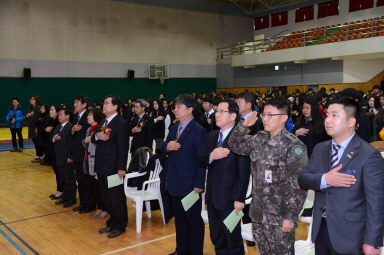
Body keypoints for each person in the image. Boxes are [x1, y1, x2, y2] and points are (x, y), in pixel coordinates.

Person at [298, 97, 384, 255]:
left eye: (334, 115)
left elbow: (376, 203)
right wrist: (325, 179)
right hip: (321, 230)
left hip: (352, 235)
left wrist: (373, 241)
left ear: (351, 122)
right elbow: (303, 178)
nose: (327, 120)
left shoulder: (368, 155)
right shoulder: (320, 148)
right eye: (327, 115)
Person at [229, 97, 308, 255]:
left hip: (279, 217)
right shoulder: (259, 138)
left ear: (284, 118)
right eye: (263, 114)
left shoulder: (293, 146)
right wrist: (243, 126)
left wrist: (290, 216)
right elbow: (234, 144)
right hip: (258, 214)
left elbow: (298, 186)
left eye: (270, 115)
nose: (265, 118)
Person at [198, 100, 250, 254]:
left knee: (233, 241)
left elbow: (244, 172)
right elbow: (201, 161)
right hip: (213, 196)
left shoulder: (240, 138)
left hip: (231, 199)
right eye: (216, 111)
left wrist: (240, 199)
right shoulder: (213, 135)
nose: (217, 115)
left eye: (222, 111)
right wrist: (211, 156)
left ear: (233, 115)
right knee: (217, 239)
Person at [163, 94, 207, 255]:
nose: (175, 110)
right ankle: (181, 250)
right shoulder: (174, 128)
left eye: (178, 107)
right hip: (174, 182)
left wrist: (199, 184)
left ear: (190, 109)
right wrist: (168, 146)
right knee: (180, 220)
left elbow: (201, 161)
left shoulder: (198, 130)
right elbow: (162, 148)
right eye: (174, 107)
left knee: (193, 221)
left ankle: (195, 252)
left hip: (190, 185)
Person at [93, 95, 129, 238]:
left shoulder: (120, 123)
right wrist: (97, 136)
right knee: (106, 198)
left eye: (107, 103)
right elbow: (97, 134)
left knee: (116, 198)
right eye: (104, 102)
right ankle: (112, 222)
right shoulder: (104, 120)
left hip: (113, 167)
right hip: (101, 165)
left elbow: (123, 147)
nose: (104, 105)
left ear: (115, 107)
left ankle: (121, 225)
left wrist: (121, 167)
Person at [82, 108, 107, 220]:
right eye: (88, 115)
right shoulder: (88, 129)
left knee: (100, 187)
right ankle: (99, 208)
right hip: (88, 161)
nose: (88, 117)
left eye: (90, 115)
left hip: (96, 162)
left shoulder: (100, 129)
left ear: (96, 116)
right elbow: (84, 143)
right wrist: (86, 141)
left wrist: (90, 140)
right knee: (94, 187)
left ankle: (104, 209)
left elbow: (101, 144)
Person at [71, 95, 93, 214]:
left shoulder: (88, 117)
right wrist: (73, 130)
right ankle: (83, 203)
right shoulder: (76, 117)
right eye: (74, 102)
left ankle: (89, 204)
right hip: (77, 153)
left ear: (84, 104)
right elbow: (72, 134)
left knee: (85, 180)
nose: (74, 104)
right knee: (80, 180)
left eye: (77, 102)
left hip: (85, 153)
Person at [52, 107, 76, 208]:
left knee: (69, 179)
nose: (59, 116)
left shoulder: (70, 127)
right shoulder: (58, 127)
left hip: (67, 158)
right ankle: (65, 197)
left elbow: (72, 144)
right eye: (59, 114)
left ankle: (71, 199)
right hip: (59, 157)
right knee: (63, 178)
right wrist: (54, 138)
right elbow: (52, 137)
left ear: (67, 116)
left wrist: (71, 156)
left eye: (61, 114)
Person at [46, 105, 62, 200]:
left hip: (57, 152)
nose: (50, 112)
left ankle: (61, 190)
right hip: (52, 151)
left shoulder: (58, 123)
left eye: (52, 110)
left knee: (59, 172)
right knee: (56, 172)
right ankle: (59, 189)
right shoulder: (52, 121)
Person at [26, 95, 42, 162]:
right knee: (35, 142)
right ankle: (38, 155)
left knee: (38, 142)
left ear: (36, 100)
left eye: (33, 99)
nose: (31, 100)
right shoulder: (32, 108)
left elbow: (40, 118)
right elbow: (29, 117)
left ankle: (40, 156)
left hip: (36, 128)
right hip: (32, 127)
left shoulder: (38, 108)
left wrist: (37, 127)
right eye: (31, 99)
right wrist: (27, 116)